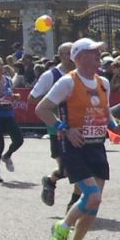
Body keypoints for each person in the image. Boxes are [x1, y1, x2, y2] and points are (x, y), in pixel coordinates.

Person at [36, 39, 120, 240]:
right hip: (75, 147)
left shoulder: (103, 82)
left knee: (94, 202)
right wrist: (65, 129)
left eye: (98, 51)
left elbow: (104, 111)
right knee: (92, 195)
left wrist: (114, 126)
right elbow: (42, 109)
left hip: (97, 145)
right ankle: (62, 228)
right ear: (79, 57)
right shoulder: (67, 82)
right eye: (93, 51)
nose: (99, 54)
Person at [30, 43, 76, 207]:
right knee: (68, 169)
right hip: (58, 129)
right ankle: (51, 182)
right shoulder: (50, 75)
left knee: (82, 167)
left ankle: (73, 202)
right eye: (71, 53)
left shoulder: (81, 75)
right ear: (63, 55)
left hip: (78, 127)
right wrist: (53, 106)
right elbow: (32, 98)